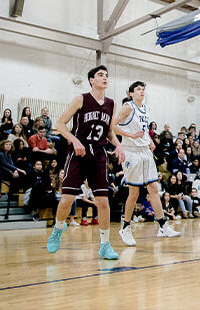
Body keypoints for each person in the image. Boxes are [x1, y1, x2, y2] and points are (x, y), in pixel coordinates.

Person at [46, 65, 126, 260]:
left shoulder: (111, 103)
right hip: (79, 153)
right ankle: (57, 230)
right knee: (67, 199)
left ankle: (105, 245)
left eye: (107, 75)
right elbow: (59, 124)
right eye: (100, 75)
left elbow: (108, 132)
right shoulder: (81, 99)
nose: (105, 78)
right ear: (91, 80)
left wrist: (118, 145)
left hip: (99, 154)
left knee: (104, 203)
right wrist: (74, 140)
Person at [114, 81, 179, 247]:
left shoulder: (146, 108)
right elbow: (112, 126)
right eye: (138, 89)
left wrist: (149, 140)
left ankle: (163, 226)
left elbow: (142, 129)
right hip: (131, 152)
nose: (141, 91)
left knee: (154, 189)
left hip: (145, 152)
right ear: (130, 93)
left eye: (143, 89)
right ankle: (125, 227)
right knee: (134, 193)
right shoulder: (128, 107)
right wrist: (131, 135)